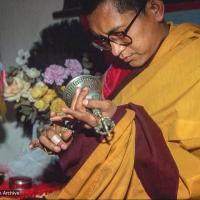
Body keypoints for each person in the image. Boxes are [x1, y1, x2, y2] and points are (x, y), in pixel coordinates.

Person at [29, 0, 200, 199]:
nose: (116, 51)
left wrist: (121, 123)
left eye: (120, 34)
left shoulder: (193, 61)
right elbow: (103, 152)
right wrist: (70, 136)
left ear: (155, 9)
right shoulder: (117, 72)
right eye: (105, 40)